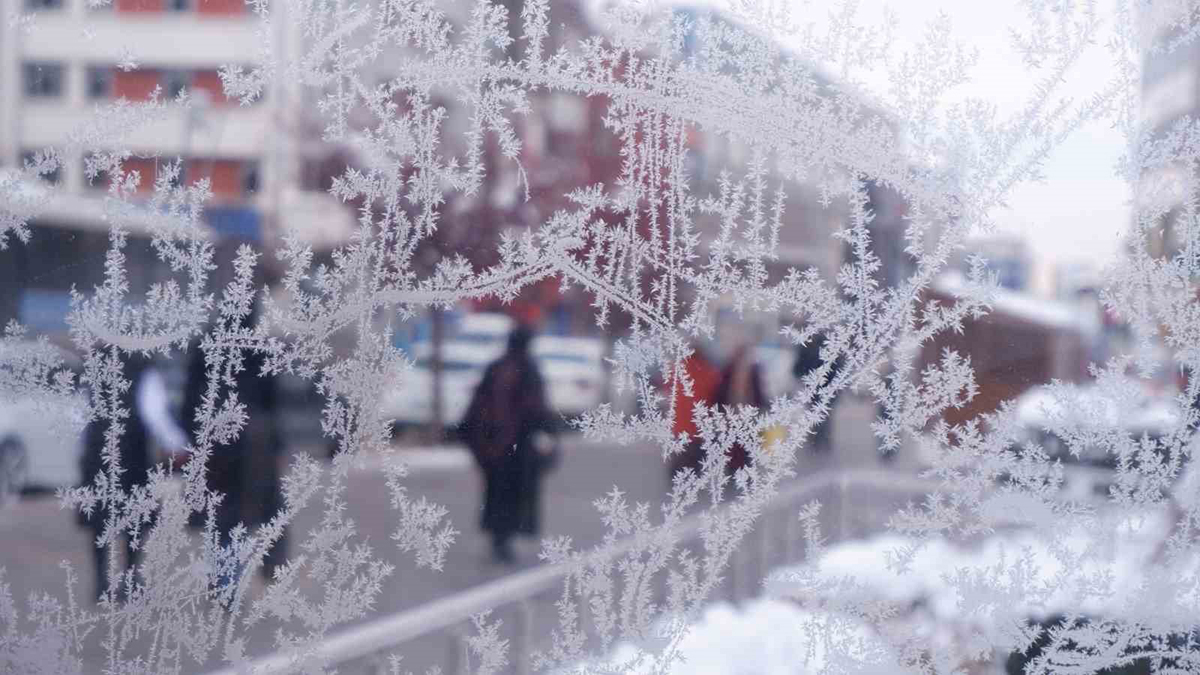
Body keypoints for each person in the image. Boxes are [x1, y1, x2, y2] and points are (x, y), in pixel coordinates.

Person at [181, 305, 288, 587]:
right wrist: (276, 445)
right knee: (246, 512)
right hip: (253, 444)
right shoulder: (260, 348)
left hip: (214, 442)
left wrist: (193, 439)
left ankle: (224, 575)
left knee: (220, 514)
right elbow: (271, 401)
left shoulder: (205, 347)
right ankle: (233, 576)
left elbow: (190, 400)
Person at [79, 353, 187, 603]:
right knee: (135, 519)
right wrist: (178, 444)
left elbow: (80, 415)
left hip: (98, 452)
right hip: (131, 453)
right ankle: (129, 580)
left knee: (101, 519)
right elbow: (154, 414)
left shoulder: (95, 365)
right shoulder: (142, 369)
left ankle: (101, 583)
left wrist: (82, 452)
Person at [460, 325, 557, 564]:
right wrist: (549, 432)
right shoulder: (526, 369)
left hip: (494, 446)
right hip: (516, 447)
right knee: (512, 494)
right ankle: (503, 539)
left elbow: (477, 405)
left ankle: (499, 537)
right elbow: (536, 407)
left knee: (497, 492)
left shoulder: (498, 367)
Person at [666, 344, 720, 485]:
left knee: (679, 457)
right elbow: (714, 394)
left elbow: (667, 388)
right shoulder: (708, 371)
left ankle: (676, 482)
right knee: (694, 460)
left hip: (679, 426)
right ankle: (691, 483)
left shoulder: (678, 370)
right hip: (698, 425)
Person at [713, 344, 768, 476]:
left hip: (747, 413)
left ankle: (745, 470)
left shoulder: (752, 370)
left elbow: (758, 390)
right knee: (733, 443)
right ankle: (734, 470)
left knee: (747, 443)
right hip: (731, 412)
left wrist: (763, 405)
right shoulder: (728, 369)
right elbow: (721, 390)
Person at [793, 333, 841, 453]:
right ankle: (821, 440)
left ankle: (817, 440)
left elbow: (798, 369)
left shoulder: (808, 348)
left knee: (816, 414)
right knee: (823, 415)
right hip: (825, 389)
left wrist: (805, 377)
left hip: (815, 388)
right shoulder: (829, 349)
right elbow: (837, 369)